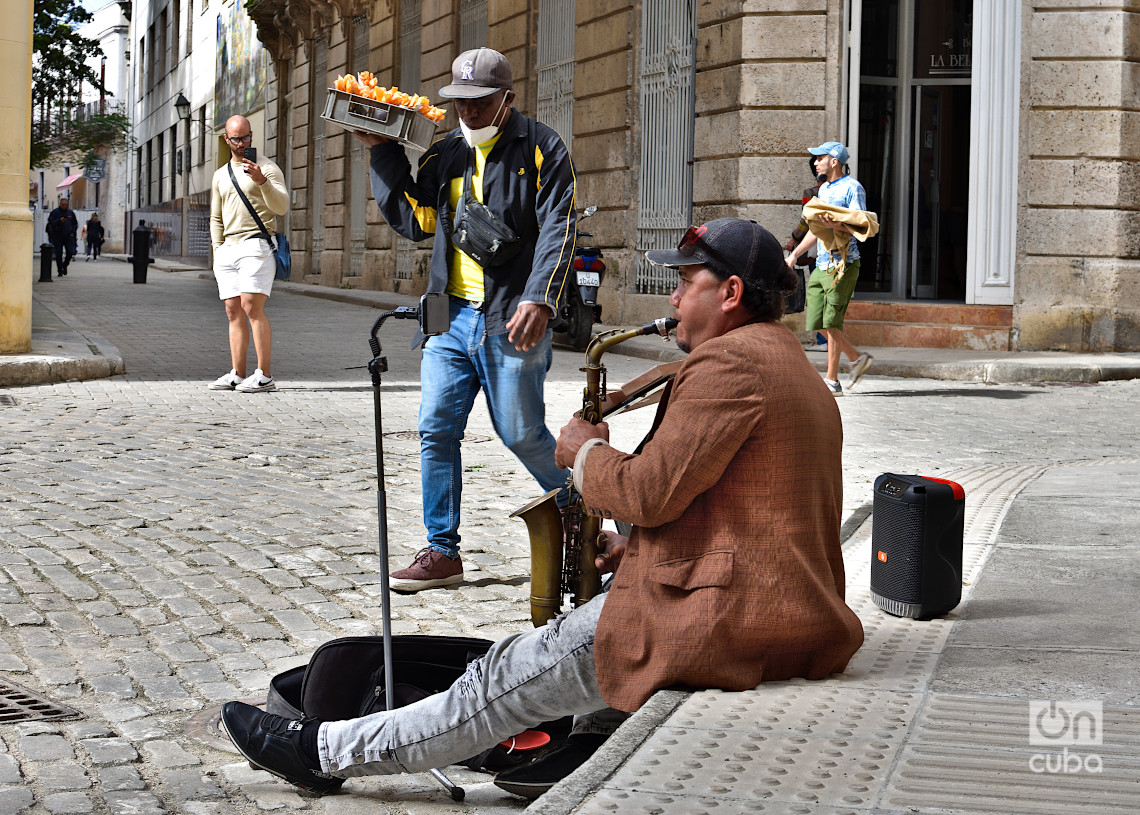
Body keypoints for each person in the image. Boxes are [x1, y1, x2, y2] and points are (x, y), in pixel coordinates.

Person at [219, 218, 865, 799]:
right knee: (520, 669)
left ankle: (321, 752)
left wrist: (585, 455)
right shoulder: (789, 368)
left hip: (718, 620)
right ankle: (580, 743)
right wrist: (636, 549)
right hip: (781, 609)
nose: (672, 298)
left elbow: (645, 491)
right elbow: (745, 509)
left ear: (729, 294)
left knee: (496, 680)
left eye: (687, 282)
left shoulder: (730, 365)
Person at [352, 47, 577, 591]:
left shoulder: (544, 147)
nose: (469, 113)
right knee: (436, 429)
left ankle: (588, 514)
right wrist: (382, 151)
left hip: (511, 317)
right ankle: (442, 552)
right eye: (461, 103)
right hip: (450, 319)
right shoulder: (447, 152)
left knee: (521, 433)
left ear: (508, 99)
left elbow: (558, 227)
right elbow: (416, 219)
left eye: (481, 102)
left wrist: (539, 298)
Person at [207, 115, 289, 393]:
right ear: (226, 140)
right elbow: (216, 217)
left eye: (247, 138)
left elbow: (282, 207)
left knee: (251, 307)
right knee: (232, 310)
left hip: (257, 244)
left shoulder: (267, 168)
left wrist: (262, 181)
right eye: (237, 139)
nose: (243, 144)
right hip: (228, 248)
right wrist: (218, 249)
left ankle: (264, 375)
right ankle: (237, 373)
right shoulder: (220, 175)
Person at [785, 141, 874, 395]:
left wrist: (836, 226)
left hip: (843, 264)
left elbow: (861, 228)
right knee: (815, 319)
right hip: (821, 264)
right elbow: (815, 231)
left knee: (832, 320)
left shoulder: (853, 188)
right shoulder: (823, 190)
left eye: (819, 158)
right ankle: (857, 358)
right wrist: (794, 256)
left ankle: (832, 381)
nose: (815, 163)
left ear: (834, 161)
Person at [46, 198, 79, 276]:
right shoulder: (55, 212)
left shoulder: (70, 213)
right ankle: (60, 270)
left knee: (70, 252)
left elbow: (75, 224)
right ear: (60, 204)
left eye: (66, 205)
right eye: (63, 205)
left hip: (68, 236)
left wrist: (73, 232)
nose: (64, 206)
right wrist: (59, 221)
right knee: (58, 254)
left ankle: (64, 265)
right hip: (58, 236)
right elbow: (51, 223)